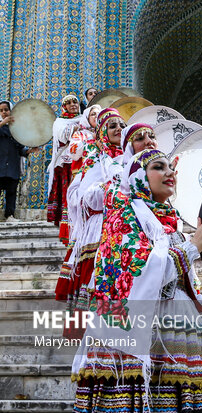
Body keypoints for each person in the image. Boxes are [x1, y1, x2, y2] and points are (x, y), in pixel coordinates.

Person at [71, 148, 202, 412]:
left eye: (170, 167)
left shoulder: (173, 224)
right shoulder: (124, 216)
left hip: (178, 334)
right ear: (138, 178)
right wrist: (193, 247)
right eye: (158, 167)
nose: (169, 172)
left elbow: (185, 293)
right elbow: (138, 275)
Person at [55, 108, 126, 339]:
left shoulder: (130, 157)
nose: (118, 129)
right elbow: (84, 196)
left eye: (122, 125)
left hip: (126, 227)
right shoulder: (96, 157)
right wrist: (112, 188)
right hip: (100, 228)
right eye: (112, 125)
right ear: (102, 131)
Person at [47, 94, 82, 245]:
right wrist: (76, 127)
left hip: (82, 160)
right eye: (69, 103)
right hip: (66, 162)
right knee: (66, 191)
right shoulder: (59, 122)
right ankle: (65, 224)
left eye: (75, 101)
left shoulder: (84, 118)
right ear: (64, 107)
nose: (73, 104)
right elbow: (63, 136)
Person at [0, 100, 39, 221]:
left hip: (12, 165)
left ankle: (9, 215)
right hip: (0, 165)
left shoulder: (16, 130)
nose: (4, 112)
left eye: (6, 110)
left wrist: (30, 151)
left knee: (11, 192)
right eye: (1, 110)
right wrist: (2, 123)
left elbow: (20, 149)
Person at [67, 104, 101, 176]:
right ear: (87, 119)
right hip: (83, 174)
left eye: (99, 114)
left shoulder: (106, 133)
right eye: (93, 114)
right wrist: (91, 138)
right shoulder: (80, 134)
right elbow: (73, 154)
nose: (96, 116)